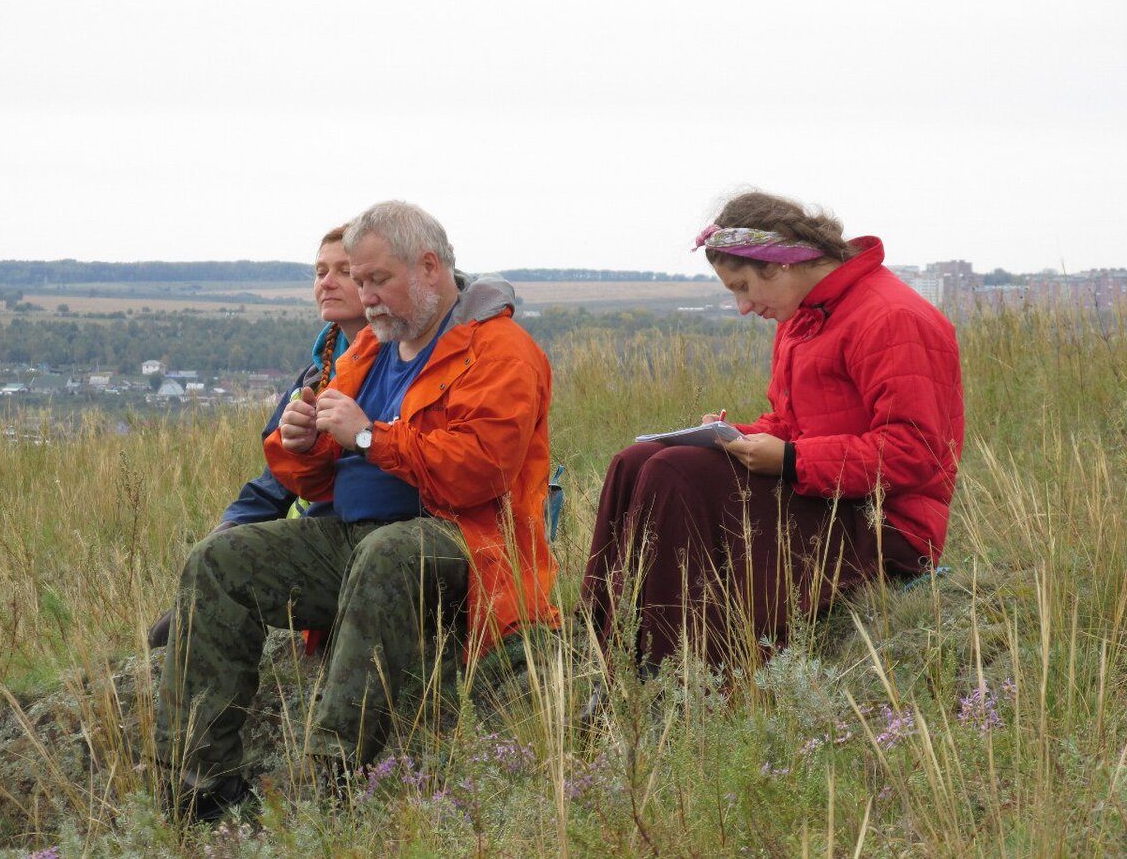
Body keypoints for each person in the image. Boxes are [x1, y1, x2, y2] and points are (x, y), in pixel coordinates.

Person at [155, 200, 559, 823]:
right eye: (358, 281)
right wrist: (302, 443)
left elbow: (481, 473)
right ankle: (201, 791)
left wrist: (372, 437)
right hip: (354, 536)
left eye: (376, 280)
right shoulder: (369, 350)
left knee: (387, 551)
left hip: (467, 546)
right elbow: (323, 478)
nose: (365, 297)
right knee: (219, 561)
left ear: (429, 267)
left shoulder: (500, 351)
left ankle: (332, 787)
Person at [582, 190, 964, 672]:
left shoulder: (892, 317)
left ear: (779, 264)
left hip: (886, 526)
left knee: (676, 473)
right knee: (636, 462)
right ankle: (608, 644)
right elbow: (792, 424)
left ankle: (679, 673)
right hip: (828, 496)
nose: (743, 306)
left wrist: (790, 461)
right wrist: (731, 434)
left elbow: (918, 452)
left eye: (742, 286)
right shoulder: (804, 316)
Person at [146, 224, 366, 649]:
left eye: (344, 270)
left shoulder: (392, 364)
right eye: (320, 271)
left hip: (352, 536)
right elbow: (277, 478)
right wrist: (231, 525)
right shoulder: (317, 372)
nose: (327, 282)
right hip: (312, 531)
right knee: (176, 619)